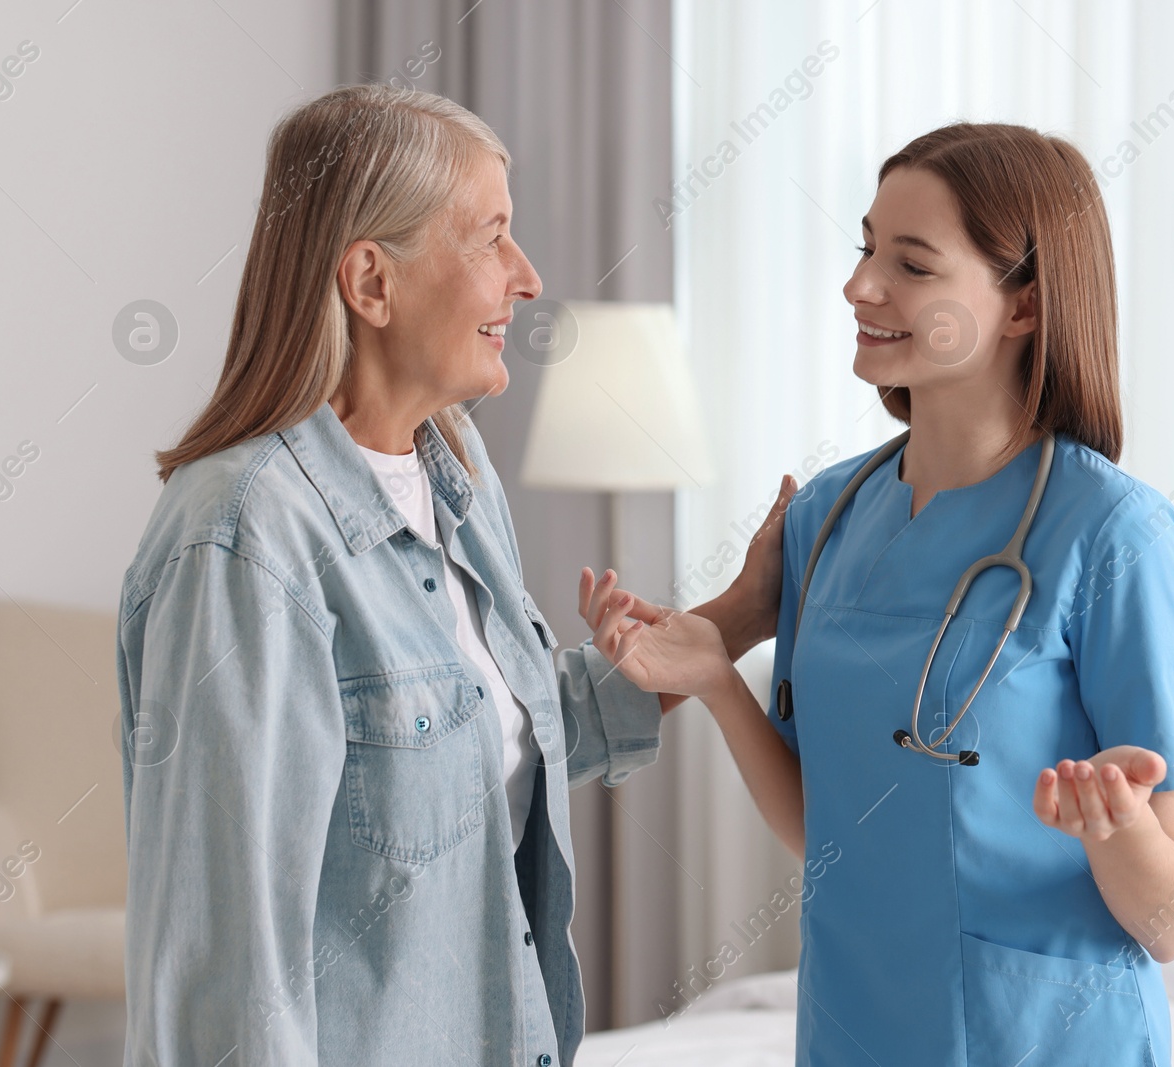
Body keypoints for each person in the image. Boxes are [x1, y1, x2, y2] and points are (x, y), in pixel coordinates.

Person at [115, 84, 787, 1066]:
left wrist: (740, 612)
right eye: (490, 238)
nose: (526, 275)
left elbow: (495, 728)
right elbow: (223, 956)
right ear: (371, 283)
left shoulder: (454, 471)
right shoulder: (245, 533)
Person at [694, 123, 1174, 1065]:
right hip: (853, 1022)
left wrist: (1118, 826)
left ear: (1021, 307)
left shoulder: (1112, 535)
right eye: (865, 248)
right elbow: (829, 829)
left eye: (913, 265)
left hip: (1042, 1037)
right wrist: (720, 683)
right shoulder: (825, 514)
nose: (860, 286)